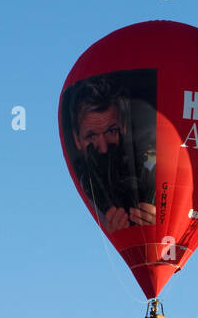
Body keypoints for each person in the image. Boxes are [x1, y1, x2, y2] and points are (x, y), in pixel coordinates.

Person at [67, 78, 157, 233]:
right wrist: (115, 236)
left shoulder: (154, 165)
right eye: (91, 136)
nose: (103, 148)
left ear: (123, 127)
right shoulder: (75, 192)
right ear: (77, 139)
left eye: (111, 131)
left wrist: (163, 219)